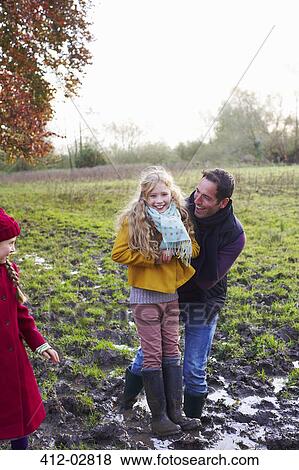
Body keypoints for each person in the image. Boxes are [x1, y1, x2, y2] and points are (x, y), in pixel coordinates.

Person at [122, 168, 246, 419]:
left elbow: (208, 278)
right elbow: (144, 237)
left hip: (204, 300)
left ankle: (191, 423)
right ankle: (126, 402)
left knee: (193, 368)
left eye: (206, 198)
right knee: (148, 354)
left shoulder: (234, 234)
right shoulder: (178, 209)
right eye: (196, 192)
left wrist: (181, 250)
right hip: (167, 293)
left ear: (223, 203)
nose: (196, 200)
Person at [111, 166, 201, 436]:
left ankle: (176, 413)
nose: (159, 200)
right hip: (145, 296)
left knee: (172, 350)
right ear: (145, 197)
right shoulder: (134, 219)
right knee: (152, 353)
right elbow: (119, 253)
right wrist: (152, 255)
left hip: (170, 295)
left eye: (164, 194)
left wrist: (177, 247)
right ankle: (158, 418)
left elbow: (194, 248)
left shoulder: (179, 217)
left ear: (171, 194)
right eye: (153, 196)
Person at [0, 208, 60, 450]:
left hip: (14, 363)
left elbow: (20, 314)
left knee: (20, 421)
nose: (13, 249)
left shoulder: (9, 269)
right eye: (9, 243)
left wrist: (39, 343)